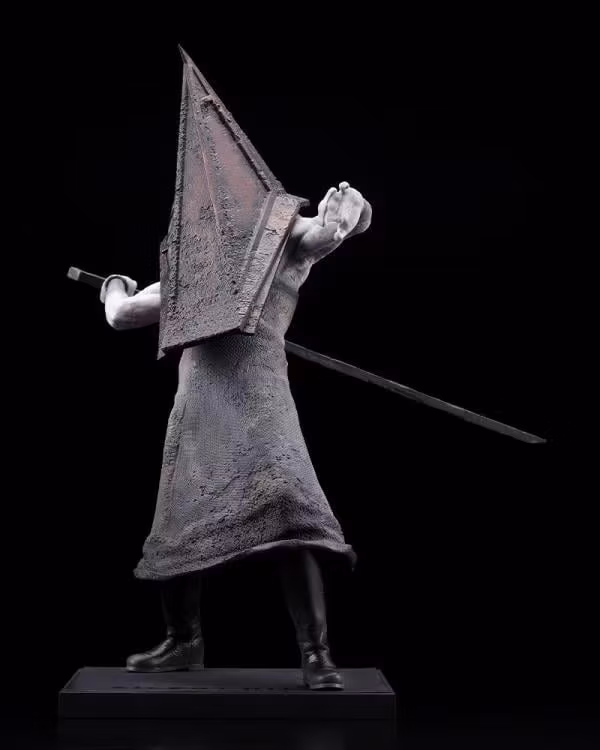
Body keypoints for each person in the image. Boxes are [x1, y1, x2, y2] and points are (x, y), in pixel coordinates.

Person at [101, 182, 372, 690]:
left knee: (289, 511)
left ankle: (316, 653)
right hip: (199, 402)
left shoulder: (279, 237)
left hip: (262, 397)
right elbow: (121, 314)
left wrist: (348, 213)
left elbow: (328, 232)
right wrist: (116, 284)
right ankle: (183, 642)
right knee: (180, 519)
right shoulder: (193, 271)